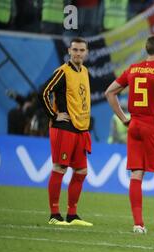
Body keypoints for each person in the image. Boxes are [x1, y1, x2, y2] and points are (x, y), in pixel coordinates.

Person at [105, 34, 154, 234]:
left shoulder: (133, 69)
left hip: (135, 125)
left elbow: (109, 92)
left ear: (146, 50)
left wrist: (124, 118)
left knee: (136, 174)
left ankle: (138, 224)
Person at [39, 37, 93, 227]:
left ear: (86, 52)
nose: (78, 53)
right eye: (75, 50)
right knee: (60, 168)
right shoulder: (62, 72)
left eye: (81, 50)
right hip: (63, 129)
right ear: (69, 51)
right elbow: (43, 91)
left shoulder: (85, 71)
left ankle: (72, 214)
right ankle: (54, 214)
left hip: (80, 129)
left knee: (81, 171)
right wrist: (53, 116)